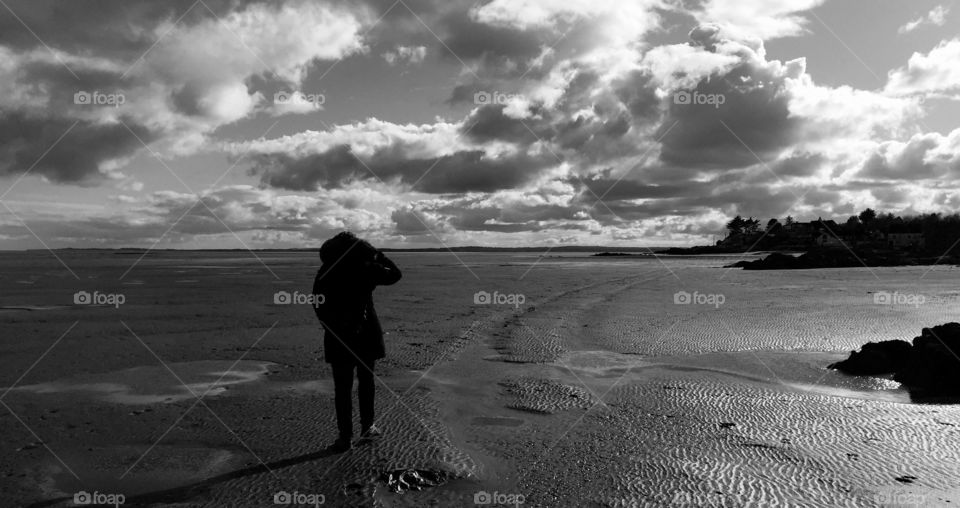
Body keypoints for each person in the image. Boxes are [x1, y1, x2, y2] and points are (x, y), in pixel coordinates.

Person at [312, 232, 402, 452]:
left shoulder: (327, 270)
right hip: (366, 334)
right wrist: (379, 256)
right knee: (366, 382)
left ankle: (345, 438)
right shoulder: (366, 268)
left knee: (342, 388)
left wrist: (330, 327)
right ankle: (367, 427)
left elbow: (317, 302)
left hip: (338, 335)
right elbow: (396, 275)